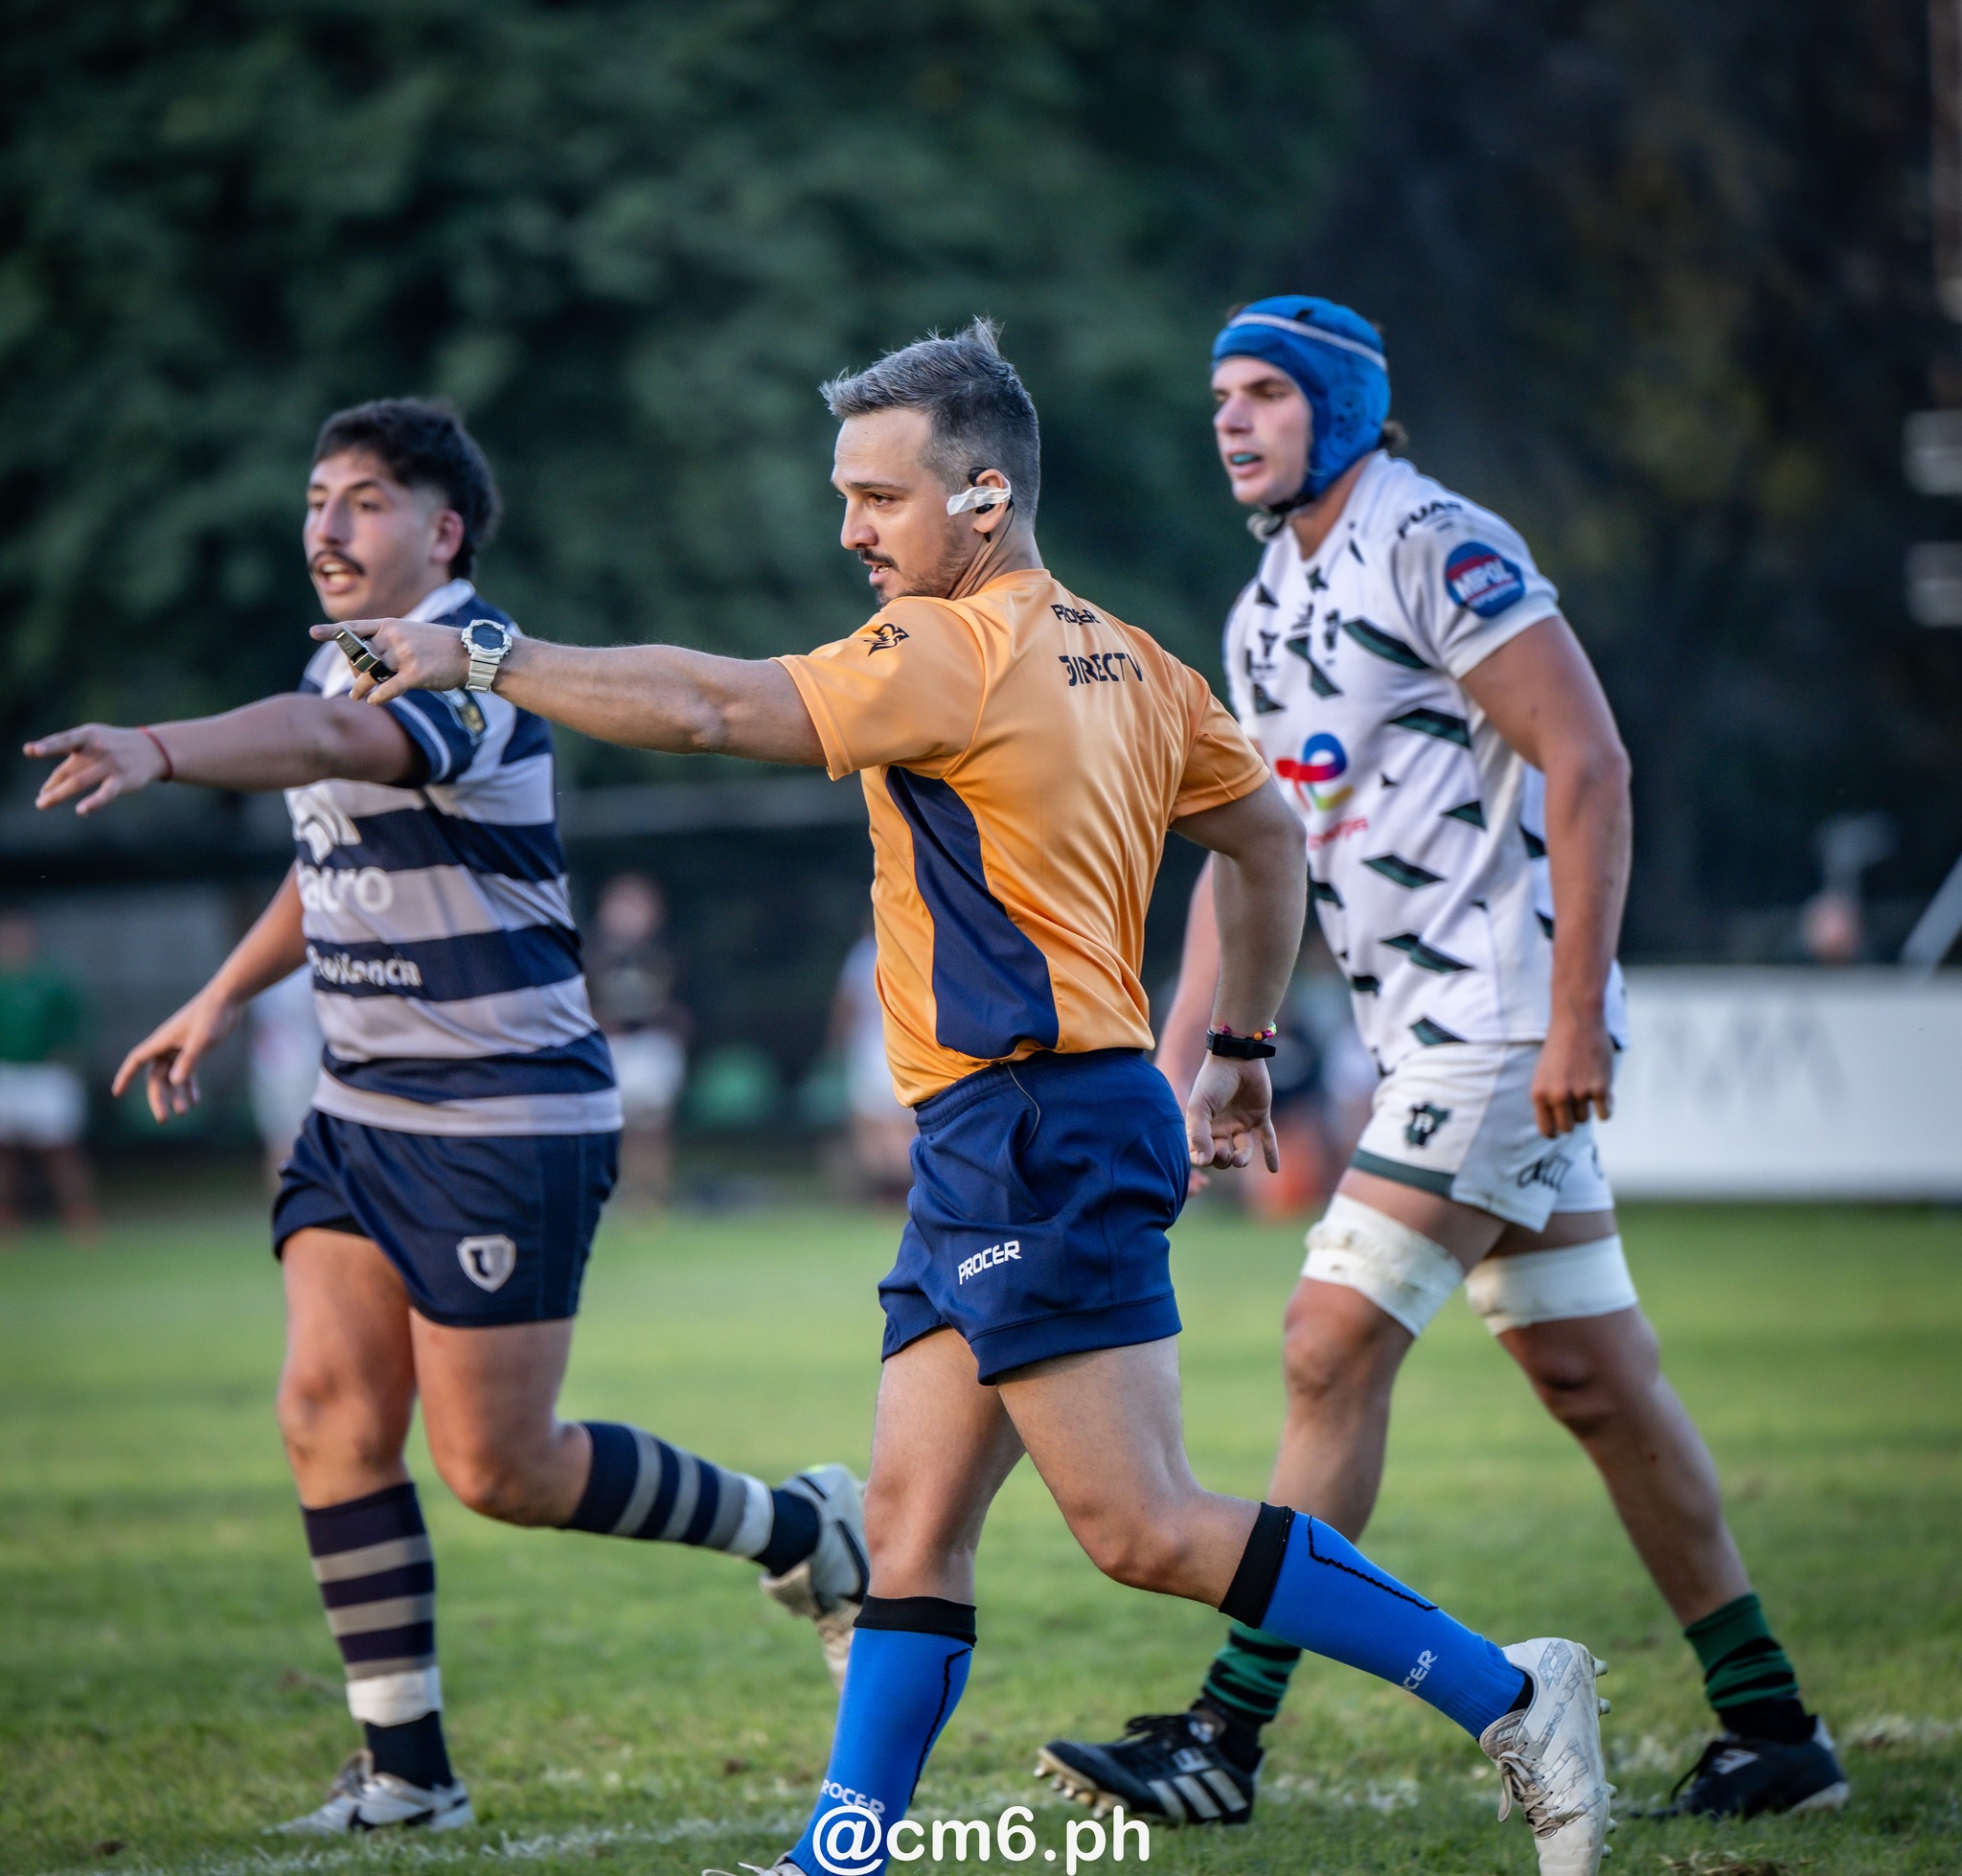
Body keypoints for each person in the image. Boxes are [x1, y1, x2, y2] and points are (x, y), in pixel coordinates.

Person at [326, 321, 1615, 1876]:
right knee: (910, 1519)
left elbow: (719, 708)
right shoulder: (1133, 656)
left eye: (878, 496)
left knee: (1138, 1526)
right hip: (998, 1136)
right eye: (844, 494)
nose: (852, 529)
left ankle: (1508, 1690)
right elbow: (1268, 845)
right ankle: (840, 1852)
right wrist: (1244, 1046)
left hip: (1033, 1131)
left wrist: (489, 652)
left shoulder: (951, 648)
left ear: (983, 497)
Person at [1036, 298, 1847, 1827]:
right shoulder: (1265, 600)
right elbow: (1247, 853)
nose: (1231, 421)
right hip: (1426, 1033)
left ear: (1340, 407)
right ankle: (1774, 1728)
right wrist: (1196, 1052)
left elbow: (1588, 755)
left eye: (1265, 392)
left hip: (1493, 1023)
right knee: (1594, 1379)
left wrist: (1575, 1014)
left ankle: (1225, 1736)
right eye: (1219, 395)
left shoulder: (1436, 540)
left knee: (1324, 1343)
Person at [25, 398, 866, 1835]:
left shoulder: (479, 676)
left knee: (503, 1469)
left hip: (502, 1115)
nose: (327, 526)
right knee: (326, 1417)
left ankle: (805, 1526)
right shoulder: (342, 662)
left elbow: (316, 742)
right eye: (315, 498)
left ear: (443, 530)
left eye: (363, 500)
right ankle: (408, 1771)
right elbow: (329, 839)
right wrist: (223, 993)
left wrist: (159, 746)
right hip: (360, 1105)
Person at [587, 873, 689, 1203]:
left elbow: (686, 1007)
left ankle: (651, 1193)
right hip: (609, 1045)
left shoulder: (668, 950)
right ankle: (610, 1192)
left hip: (650, 1044)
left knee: (650, 1122)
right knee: (610, 1124)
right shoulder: (588, 951)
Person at [0, 911, 100, 1236]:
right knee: (6, 1152)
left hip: (45, 1073)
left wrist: (67, 1060)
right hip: (6, 1072)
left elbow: (75, 1026)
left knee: (61, 1149)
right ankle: (7, 1217)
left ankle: (80, 1214)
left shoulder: (50, 979)